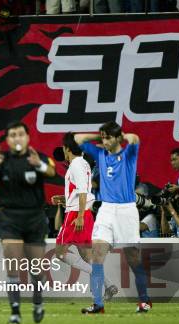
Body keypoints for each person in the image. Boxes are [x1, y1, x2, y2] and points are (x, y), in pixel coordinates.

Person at [0, 121, 56, 324]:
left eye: (20, 134)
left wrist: (38, 165)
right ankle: (15, 312)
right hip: (10, 217)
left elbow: (52, 172)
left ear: (27, 137)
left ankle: (37, 302)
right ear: (7, 140)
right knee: (12, 265)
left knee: (36, 268)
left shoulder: (37, 156)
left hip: (34, 218)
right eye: (13, 135)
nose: (17, 138)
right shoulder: (2, 160)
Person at [76, 121, 152, 313]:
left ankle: (144, 301)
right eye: (103, 137)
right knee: (97, 255)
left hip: (126, 210)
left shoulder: (128, 155)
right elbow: (78, 139)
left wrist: (120, 135)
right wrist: (101, 137)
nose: (105, 141)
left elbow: (135, 139)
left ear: (117, 138)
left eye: (108, 137)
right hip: (106, 210)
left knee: (133, 258)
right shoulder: (101, 154)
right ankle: (98, 304)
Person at [52, 133, 120, 301]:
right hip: (82, 210)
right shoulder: (82, 163)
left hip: (77, 213)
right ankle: (109, 285)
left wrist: (80, 215)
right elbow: (81, 191)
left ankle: (105, 281)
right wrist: (65, 199)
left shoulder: (76, 164)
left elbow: (83, 191)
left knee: (61, 253)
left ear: (67, 148)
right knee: (86, 256)